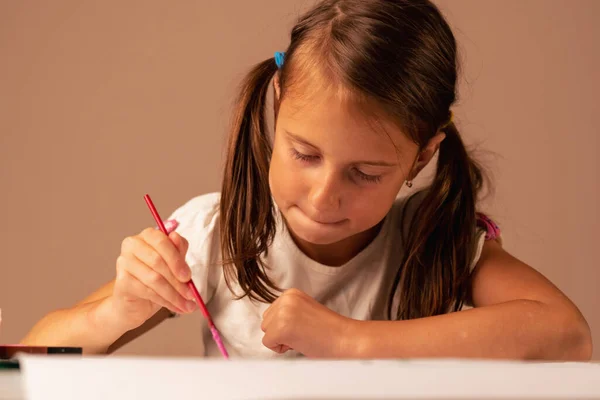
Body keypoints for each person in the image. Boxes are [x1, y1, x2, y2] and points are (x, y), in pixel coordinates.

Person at [21, 0, 592, 360]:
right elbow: (30, 354)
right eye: (304, 154)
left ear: (421, 159)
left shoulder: (434, 241)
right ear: (277, 105)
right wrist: (116, 310)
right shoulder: (215, 235)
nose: (324, 197)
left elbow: (567, 335)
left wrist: (347, 340)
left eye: (365, 173)